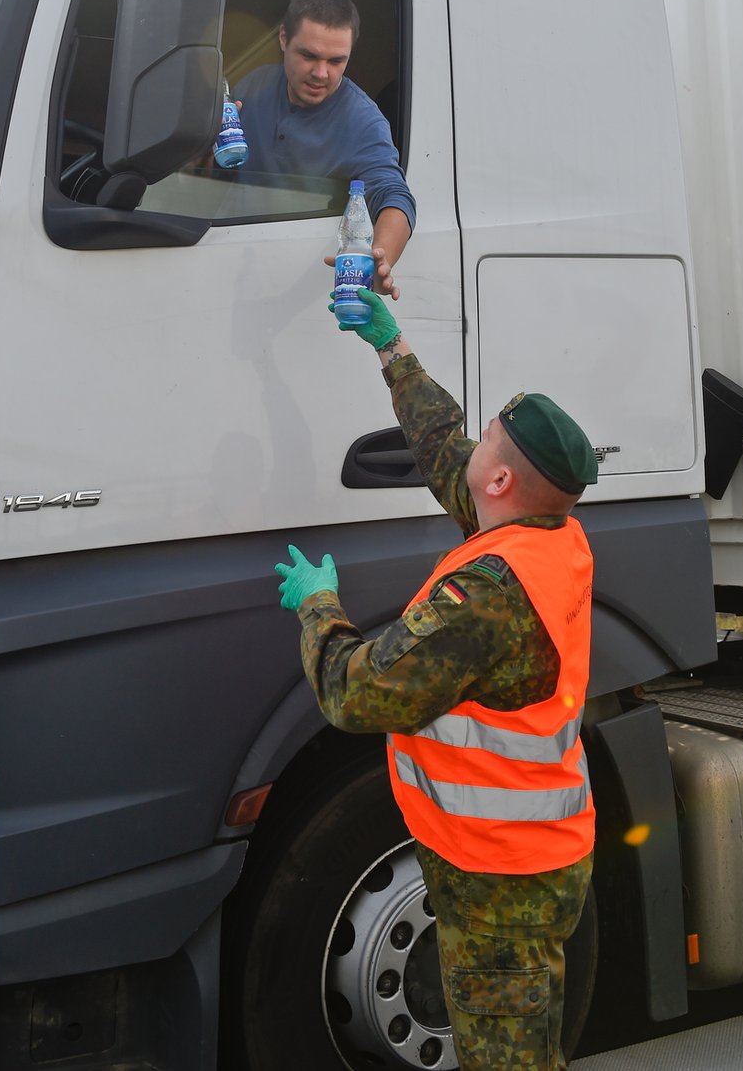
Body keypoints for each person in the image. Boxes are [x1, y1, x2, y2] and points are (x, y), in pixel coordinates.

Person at [275, 288, 599, 1071]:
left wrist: (318, 607)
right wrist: (392, 350)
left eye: (489, 436)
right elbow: (444, 449)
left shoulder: (489, 597)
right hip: (534, 854)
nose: (475, 440)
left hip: (501, 878)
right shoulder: (546, 536)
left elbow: (358, 692)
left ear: (501, 484)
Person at [234, 0, 415, 298]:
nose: (321, 73)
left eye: (336, 61)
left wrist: (378, 259)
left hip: (297, 284)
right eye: (309, 56)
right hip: (228, 259)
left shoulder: (363, 122)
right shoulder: (255, 83)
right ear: (282, 38)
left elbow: (395, 196)